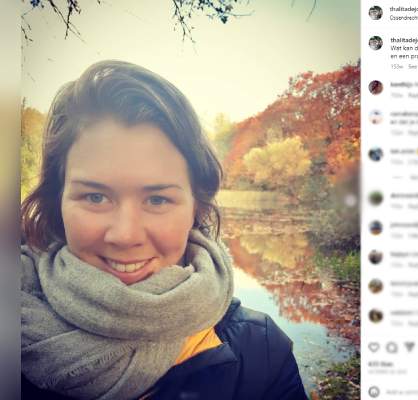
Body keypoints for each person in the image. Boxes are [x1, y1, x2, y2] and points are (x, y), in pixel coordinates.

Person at [20, 60, 308, 400]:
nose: (126, 235)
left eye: (157, 200)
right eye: (95, 197)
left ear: (196, 207)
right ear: (57, 201)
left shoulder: (262, 355)